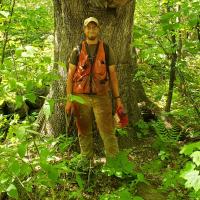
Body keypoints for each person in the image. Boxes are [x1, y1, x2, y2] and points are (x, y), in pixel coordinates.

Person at [66, 16, 124, 160]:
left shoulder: (106, 48)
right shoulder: (77, 50)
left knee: (108, 131)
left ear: (98, 29)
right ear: (84, 30)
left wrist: (117, 99)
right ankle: (86, 162)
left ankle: (114, 164)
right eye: (88, 27)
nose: (91, 29)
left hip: (102, 97)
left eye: (94, 27)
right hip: (80, 97)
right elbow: (70, 76)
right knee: (83, 131)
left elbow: (113, 75)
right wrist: (69, 99)